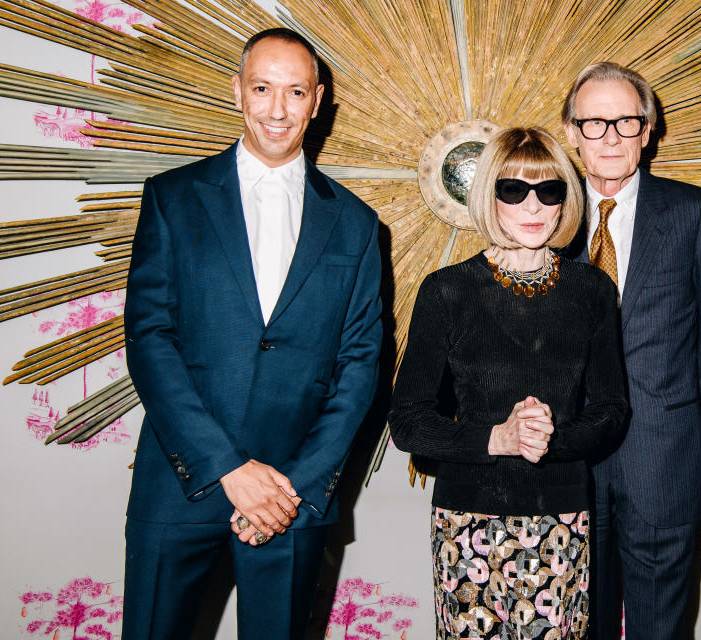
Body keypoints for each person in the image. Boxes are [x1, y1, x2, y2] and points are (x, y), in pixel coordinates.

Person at [121, 28, 382, 640]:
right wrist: (229, 470)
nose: (277, 109)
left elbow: (361, 364)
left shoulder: (358, 224)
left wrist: (293, 486)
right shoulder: (172, 198)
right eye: (263, 88)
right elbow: (150, 339)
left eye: (295, 92)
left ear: (318, 103)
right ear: (238, 90)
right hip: (181, 486)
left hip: (293, 498)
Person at [389, 127, 628, 639]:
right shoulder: (447, 291)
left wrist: (551, 439)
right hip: (468, 518)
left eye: (550, 190)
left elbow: (612, 410)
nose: (533, 205)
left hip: (562, 517)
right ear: (488, 197)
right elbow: (407, 422)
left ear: (566, 198)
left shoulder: (591, 291)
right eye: (513, 190)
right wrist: (496, 438)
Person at [561, 62, 701, 640]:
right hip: (565, 468)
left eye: (626, 121)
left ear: (648, 130)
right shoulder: (541, 217)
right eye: (594, 123)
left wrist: (693, 434)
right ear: (570, 133)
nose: (611, 136)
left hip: (664, 465)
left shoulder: (694, 213)